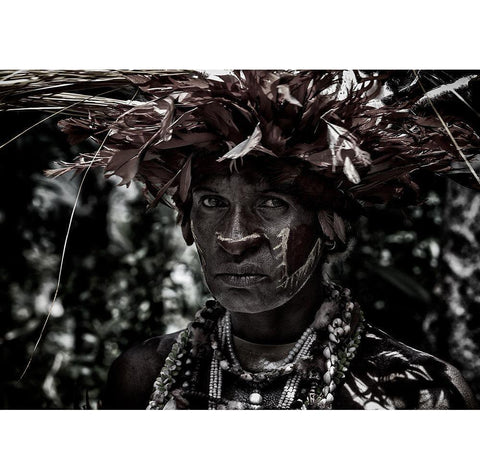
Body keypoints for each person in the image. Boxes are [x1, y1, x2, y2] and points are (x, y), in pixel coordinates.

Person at [1, 70, 479, 409]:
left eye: (272, 204)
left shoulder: (415, 393)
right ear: (187, 225)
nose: (234, 238)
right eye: (211, 203)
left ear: (330, 228)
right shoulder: (143, 375)